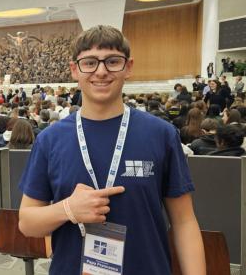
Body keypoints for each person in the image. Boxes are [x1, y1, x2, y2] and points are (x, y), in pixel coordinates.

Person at [19, 25, 205, 275]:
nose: (102, 71)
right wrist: (68, 209)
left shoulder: (161, 134)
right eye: (90, 63)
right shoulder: (50, 140)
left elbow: (184, 222)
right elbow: (27, 223)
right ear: (75, 69)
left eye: (112, 61)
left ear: (128, 67)